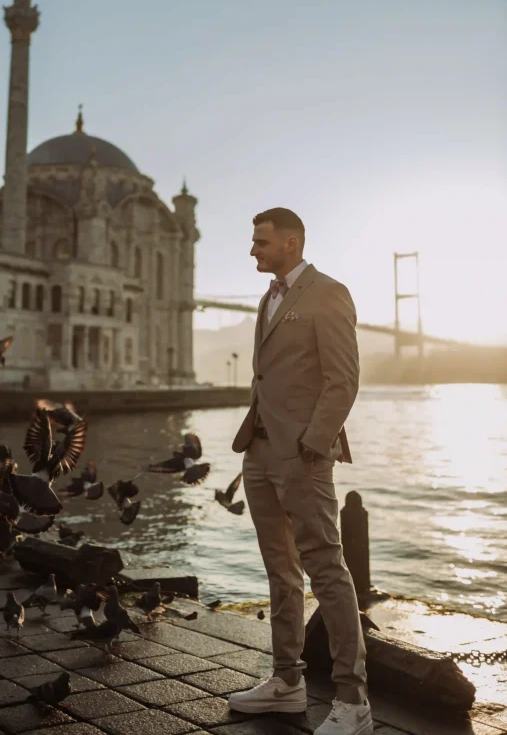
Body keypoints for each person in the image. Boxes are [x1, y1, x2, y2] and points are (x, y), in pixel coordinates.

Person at [229, 207, 372, 735]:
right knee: (280, 570)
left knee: (327, 571)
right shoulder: (269, 298)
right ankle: (287, 683)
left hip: (302, 457)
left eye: (260, 242)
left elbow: (343, 381)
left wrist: (312, 446)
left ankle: (354, 704)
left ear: (290, 243)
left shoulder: (329, 293)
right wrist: (258, 445)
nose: (252, 251)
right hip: (260, 454)